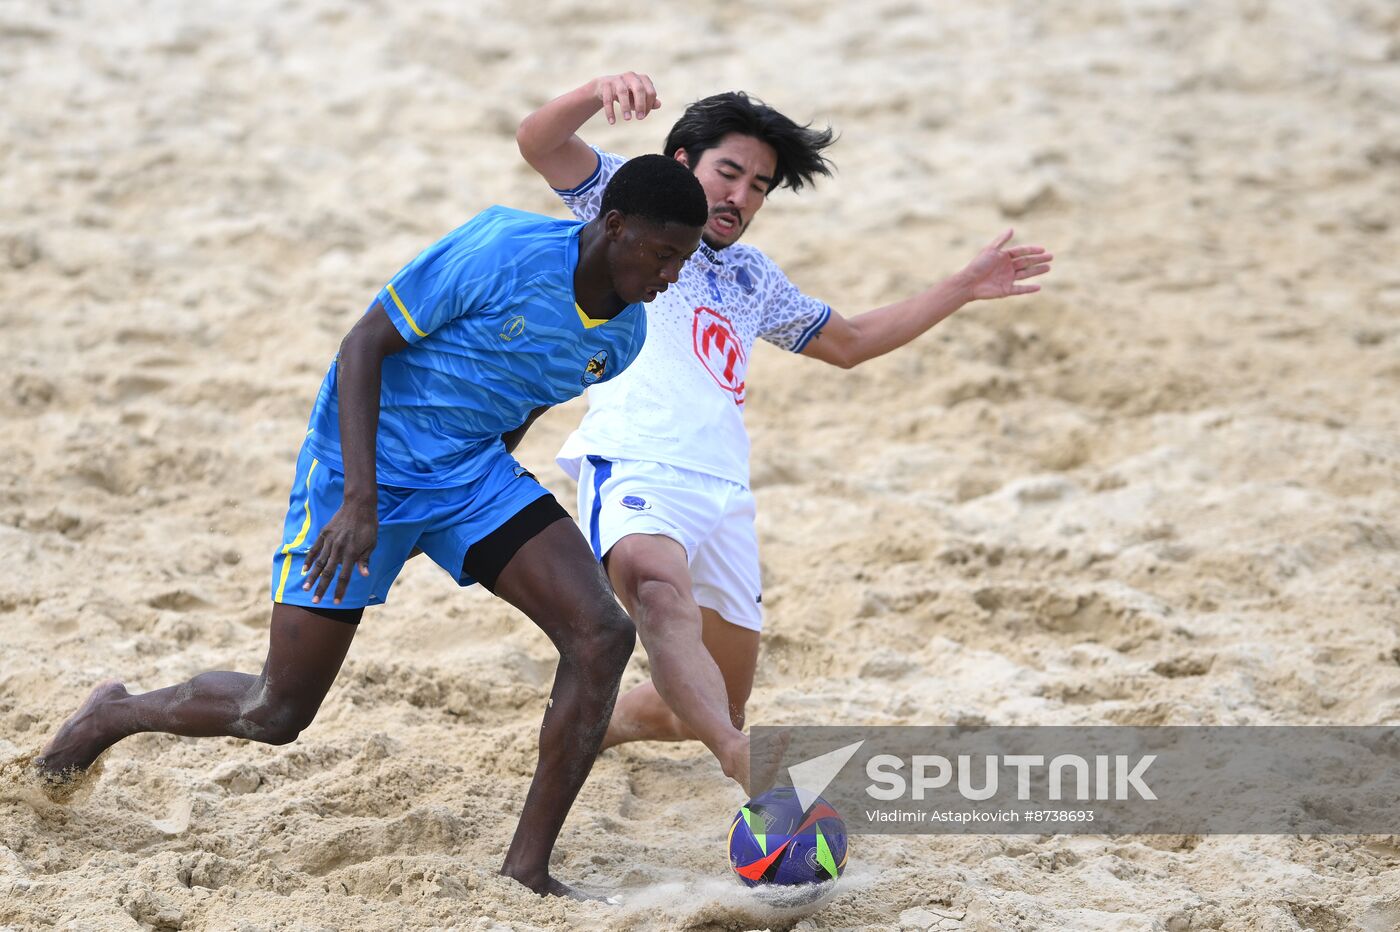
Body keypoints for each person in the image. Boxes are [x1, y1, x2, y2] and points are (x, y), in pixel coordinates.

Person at [35, 154, 708, 898]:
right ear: (613, 227)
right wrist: (360, 502)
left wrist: (484, 510)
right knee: (275, 711)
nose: (673, 273)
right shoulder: (501, 249)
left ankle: (526, 869)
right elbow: (363, 346)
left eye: (685, 258)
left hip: (468, 478)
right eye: (664, 253)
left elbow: (523, 400)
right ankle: (114, 715)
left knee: (603, 635)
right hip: (359, 468)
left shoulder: (624, 338)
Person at [516, 72, 1054, 793]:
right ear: (682, 164)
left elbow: (852, 341)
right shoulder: (630, 202)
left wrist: (961, 286)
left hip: (725, 494)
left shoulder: (751, 278)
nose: (740, 197)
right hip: (637, 463)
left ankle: (598, 721)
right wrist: (596, 92)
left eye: (760, 186)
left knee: (705, 704)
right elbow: (538, 140)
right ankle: (746, 763)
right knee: (658, 592)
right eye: (727, 173)